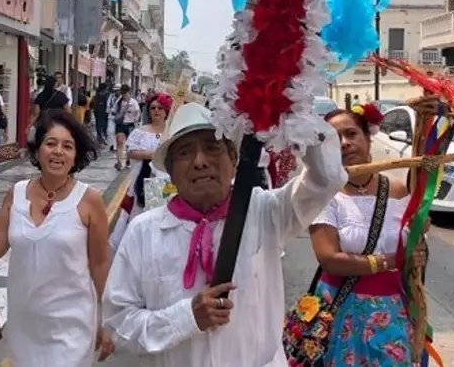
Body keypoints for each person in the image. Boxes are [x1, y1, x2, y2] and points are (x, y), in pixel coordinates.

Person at [102, 102, 344, 366]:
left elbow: (326, 178)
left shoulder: (266, 211)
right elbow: (118, 325)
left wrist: (293, 108)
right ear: (170, 171)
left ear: (234, 160)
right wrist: (186, 318)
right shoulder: (144, 231)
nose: (200, 161)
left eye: (212, 147)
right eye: (184, 153)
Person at [0, 109, 113, 367]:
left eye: (67, 146)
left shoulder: (89, 200)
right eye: (51, 143)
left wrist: (110, 320)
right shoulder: (17, 193)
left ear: (75, 156)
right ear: (38, 151)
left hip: (71, 325)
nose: (58, 151)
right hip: (25, 326)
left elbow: (100, 264)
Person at [307, 106, 427, 367]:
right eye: (334, 139)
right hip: (339, 312)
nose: (345, 143)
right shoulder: (323, 194)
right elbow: (330, 259)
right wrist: (390, 261)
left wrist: (417, 248)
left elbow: (414, 247)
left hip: (392, 311)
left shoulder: (398, 190)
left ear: (368, 137)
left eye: (351, 134)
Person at [108, 92, 172, 251]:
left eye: (160, 108)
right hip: (141, 181)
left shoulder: (172, 133)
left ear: (167, 111)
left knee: (160, 218)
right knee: (140, 215)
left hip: (166, 184)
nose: (156, 111)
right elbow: (131, 153)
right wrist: (154, 154)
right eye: (152, 108)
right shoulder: (140, 132)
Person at [112, 85, 141, 171]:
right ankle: (120, 162)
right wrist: (119, 112)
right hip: (120, 124)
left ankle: (128, 160)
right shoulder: (119, 101)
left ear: (129, 92)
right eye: (123, 93)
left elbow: (138, 111)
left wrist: (136, 119)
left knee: (129, 144)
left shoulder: (133, 102)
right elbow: (113, 111)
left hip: (130, 124)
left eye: (126, 93)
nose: (124, 95)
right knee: (120, 142)